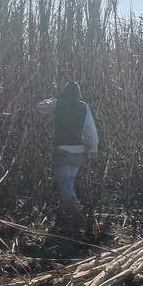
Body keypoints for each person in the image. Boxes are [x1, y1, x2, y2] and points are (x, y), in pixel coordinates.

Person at [36, 81, 99, 224]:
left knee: (65, 183)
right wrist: (93, 148)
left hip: (62, 149)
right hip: (78, 150)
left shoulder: (58, 103)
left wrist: (54, 98)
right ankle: (64, 216)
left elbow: (40, 107)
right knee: (69, 181)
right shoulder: (84, 107)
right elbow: (90, 130)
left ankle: (77, 214)